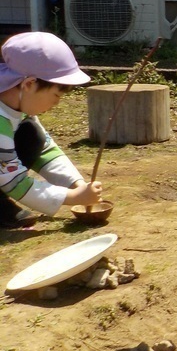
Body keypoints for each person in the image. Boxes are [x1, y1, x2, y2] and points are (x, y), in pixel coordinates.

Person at [0, 33, 103, 229]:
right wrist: (72, 197)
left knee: (31, 134)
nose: (57, 103)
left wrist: (76, 184)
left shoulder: (16, 108)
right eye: (56, 95)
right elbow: (15, 181)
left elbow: (45, 150)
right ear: (29, 84)